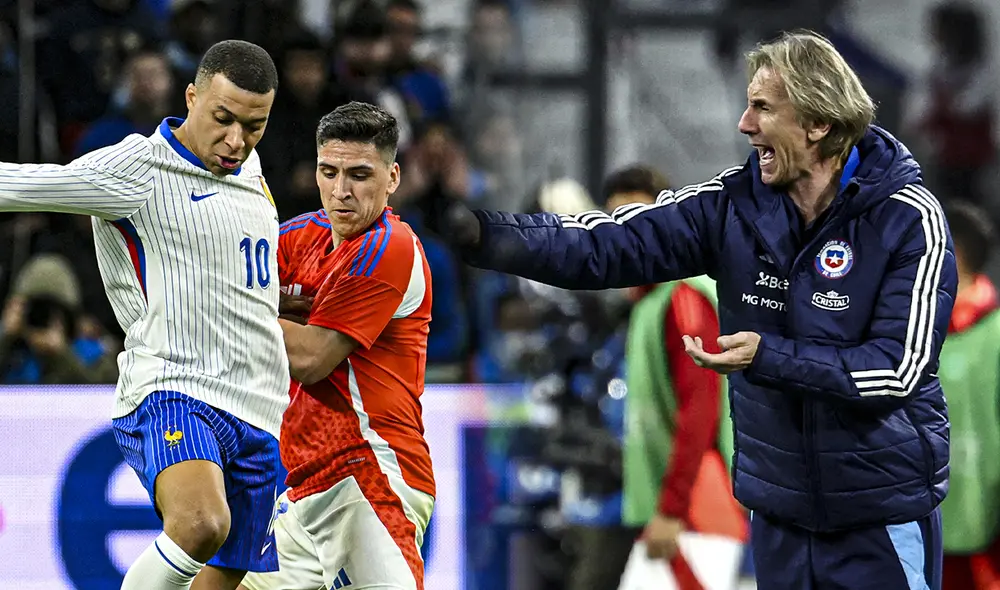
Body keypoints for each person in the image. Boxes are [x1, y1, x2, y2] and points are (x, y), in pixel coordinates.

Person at [422, 30, 955, 589]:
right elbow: (603, 244)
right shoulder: (731, 207)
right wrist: (480, 232)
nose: (744, 124)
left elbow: (896, 368)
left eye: (763, 108)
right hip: (780, 517)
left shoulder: (906, 217)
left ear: (817, 124)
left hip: (879, 515)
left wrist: (768, 356)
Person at [0, 40, 288, 590]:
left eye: (254, 126)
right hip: (173, 387)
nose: (236, 141)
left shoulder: (250, 170)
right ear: (191, 96)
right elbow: (24, 183)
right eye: (222, 119)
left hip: (260, 407)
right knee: (201, 523)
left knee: (222, 576)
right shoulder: (137, 168)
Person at [240, 102, 435, 590]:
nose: (341, 191)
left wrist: (246, 306)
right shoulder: (304, 236)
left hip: (369, 475)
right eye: (329, 172)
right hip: (306, 485)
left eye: (359, 175)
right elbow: (226, 272)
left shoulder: (388, 246)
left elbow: (309, 359)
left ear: (392, 178)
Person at [566, 165, 742, 590]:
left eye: (639, 219)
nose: (627, 232)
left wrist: (671, 511)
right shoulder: (650, 302)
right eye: (615, 221)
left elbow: (701, 411)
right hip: (677, 512)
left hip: (692, 515)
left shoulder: (683, 298)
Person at [937, 201, 1000, 590]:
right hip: (915, 520)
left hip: (986, 541)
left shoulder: (993, 336)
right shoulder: (908, 329)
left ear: (953, 255)